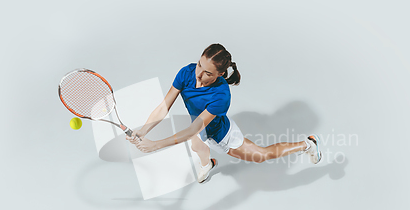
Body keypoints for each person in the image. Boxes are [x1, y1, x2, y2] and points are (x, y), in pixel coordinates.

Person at [127, 43, 322, 183]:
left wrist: (155, 146)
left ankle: (307, 144)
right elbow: (163, 107)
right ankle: (208, 164)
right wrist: (144, 131)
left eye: (208, 73)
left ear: (220, 74)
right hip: (199, 129)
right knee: (197, 145)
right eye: (199, 65)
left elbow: (192, 128)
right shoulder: (186, 72)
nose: (199, 74)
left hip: (221, 135)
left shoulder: (221, 95)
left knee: (261, 155)